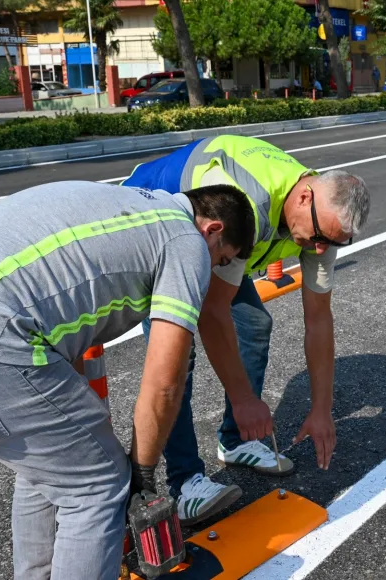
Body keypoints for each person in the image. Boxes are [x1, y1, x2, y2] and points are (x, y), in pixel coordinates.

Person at [0, 181, 255, 580]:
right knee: (99, 485)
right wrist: (142, 472)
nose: (213, 268)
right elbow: (165, 379)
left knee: (57, 465)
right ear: (212, 230)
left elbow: (57, 309)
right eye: (221, 259)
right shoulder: (185, 240)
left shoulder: (127, 204)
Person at [121, 135, 370, 526]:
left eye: (335, 243)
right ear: (304, 198)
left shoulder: (326, 220)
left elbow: (319, 318)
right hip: (156, 220)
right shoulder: (247, 205)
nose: (321, 250)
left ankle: (236, 442)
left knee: (254, 323)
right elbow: (212, 312)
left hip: (218, 242)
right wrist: (243, 398)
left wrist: (322, 410)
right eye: (320, 239)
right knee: (174, 356)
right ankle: (184, 483)